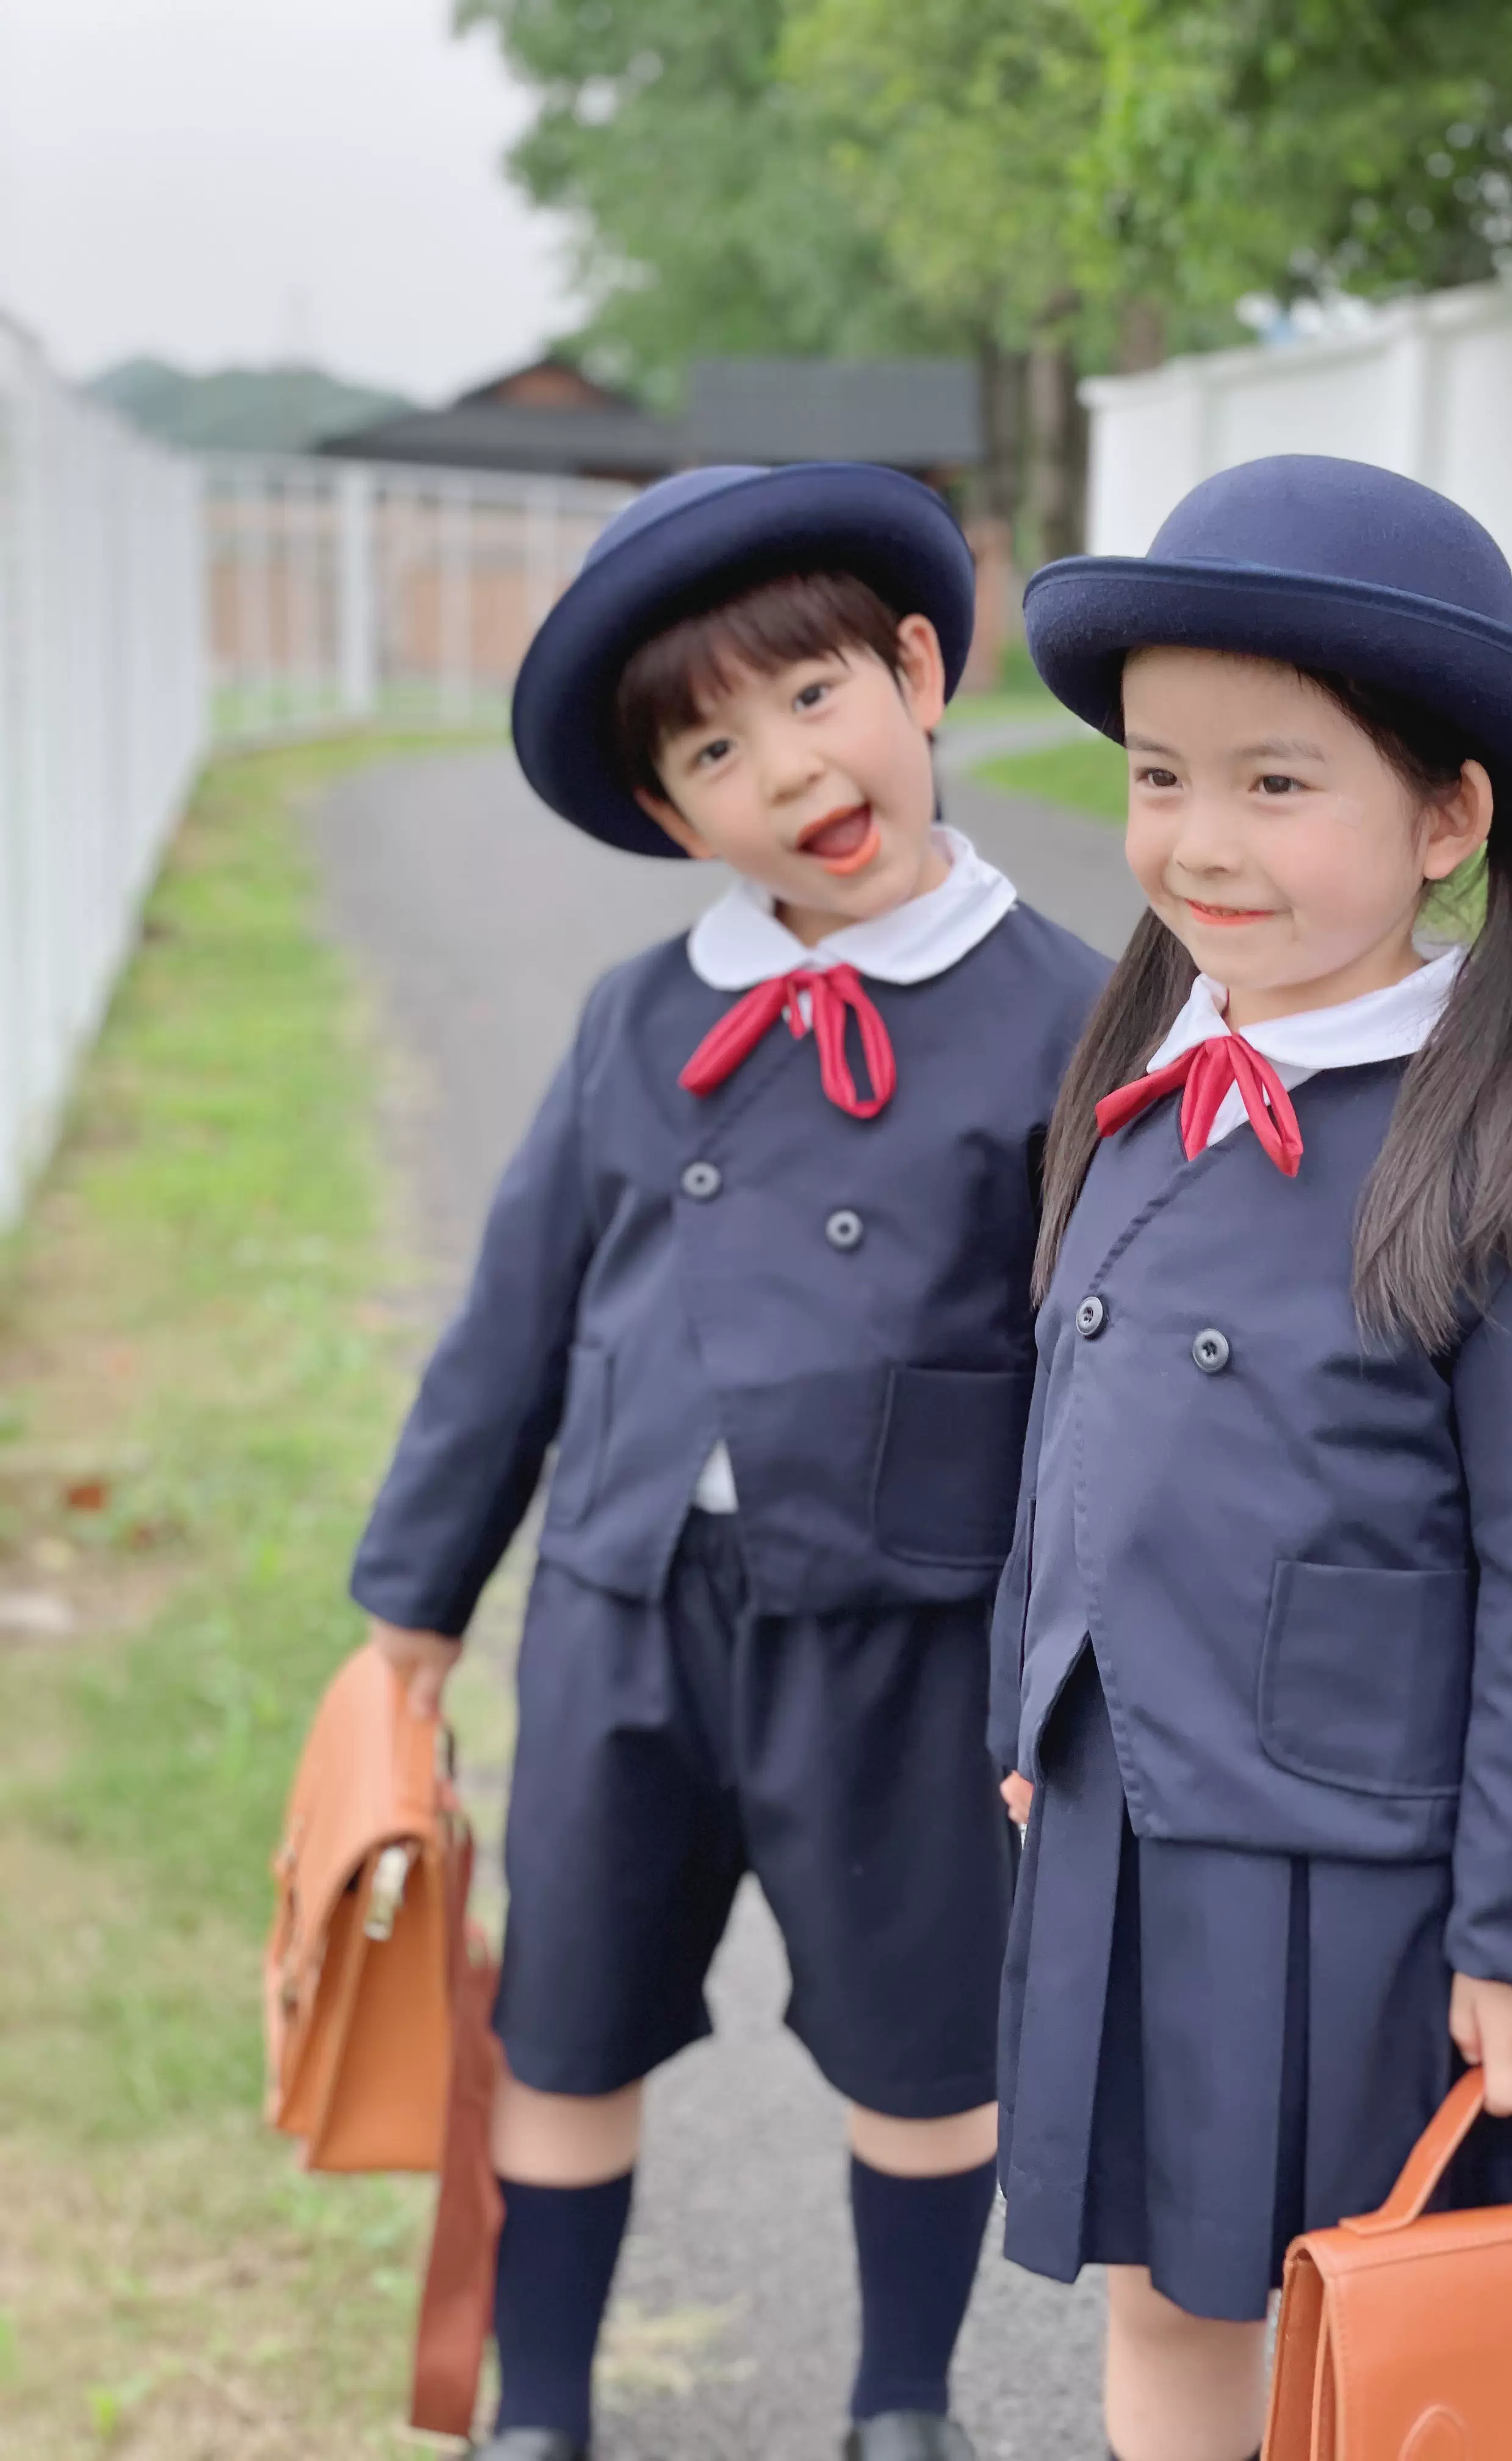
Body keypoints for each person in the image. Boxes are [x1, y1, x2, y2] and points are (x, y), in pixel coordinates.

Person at [350, 463, 1108, 2461]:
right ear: (670, 816)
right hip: (625, 1612)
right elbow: (510, 1326)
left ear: (922, 671)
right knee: (565, 2022)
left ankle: (901, 2402)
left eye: (813, 697)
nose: (783, 767)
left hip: (908, 1619)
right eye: (712, 745)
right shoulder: (634, 1021)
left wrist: (1080, 1653)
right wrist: (411, 1613)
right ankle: (541, 2410)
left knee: (922, 2043)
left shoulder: (1077, 1012)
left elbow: (1110, 1370)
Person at [987, 456, 1512, 2461]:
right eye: (1160, 776)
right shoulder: (1137, 1088)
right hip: (1135, 1825)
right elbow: (1067, 1417)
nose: (1200, 841)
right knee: (1170, 2294)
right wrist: (1034, 1701)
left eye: (1277, 785)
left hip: (1368, 1882)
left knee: (1391, 2345)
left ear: (1450, 813)